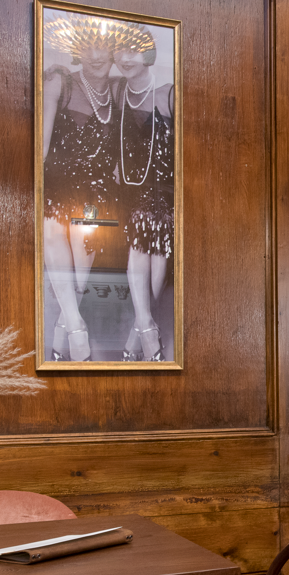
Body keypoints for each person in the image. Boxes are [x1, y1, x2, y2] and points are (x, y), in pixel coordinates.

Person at [39, 14, 132, 361]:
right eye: (90, 46)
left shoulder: (121, 91)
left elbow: (129, 148)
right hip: (57, 186)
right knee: (51, 230)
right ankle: (76, 330)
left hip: (96, 195)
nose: (97, 55)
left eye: (104, 48)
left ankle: (64, 329)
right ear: (79, 49)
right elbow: (41, 148)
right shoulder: (60, 82)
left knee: (83, 238)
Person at [112, 28, 176, 362]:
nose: (124, 58)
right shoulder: (117, 91)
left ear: (148, 54)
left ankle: (142, 333)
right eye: (119, 51)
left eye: (132, 51)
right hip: (132, 191)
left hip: (165, 191)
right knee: (145, 238)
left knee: (153, 238)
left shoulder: (168, 94)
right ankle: (142, 334)